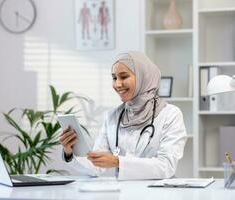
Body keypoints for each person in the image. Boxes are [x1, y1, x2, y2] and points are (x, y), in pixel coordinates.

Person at [59, 51, 187, 180]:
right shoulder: (112, 116)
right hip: (123, 193)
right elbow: (96, 166)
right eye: (114, 78)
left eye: (124, 77)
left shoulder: (170, 114)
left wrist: (118, 162)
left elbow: (166, 166)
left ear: (144, 77)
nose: (117, 84)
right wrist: (69, 152)